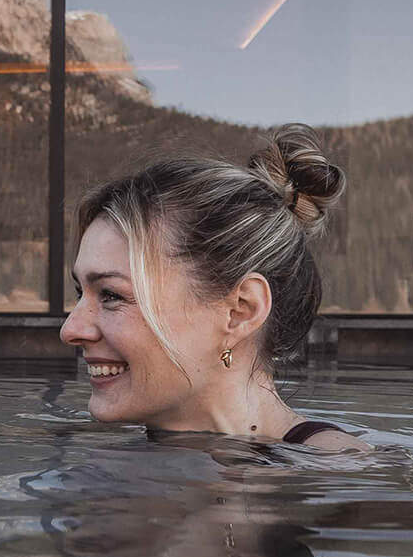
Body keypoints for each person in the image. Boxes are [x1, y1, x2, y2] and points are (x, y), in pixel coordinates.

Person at [59, 125, 370, 453]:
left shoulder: (335, 477)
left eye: (111, 295)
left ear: (240, 311)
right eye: (81, 293)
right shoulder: (116, 463)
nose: (70, 330)